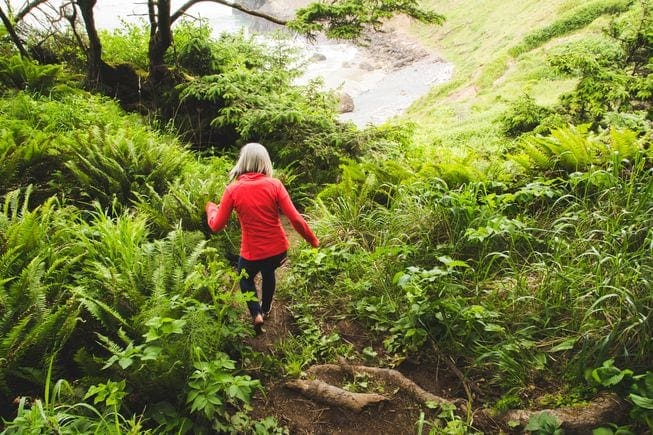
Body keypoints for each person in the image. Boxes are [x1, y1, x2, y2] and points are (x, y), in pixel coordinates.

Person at [205, 142, 319, 333]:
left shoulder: (232, 190)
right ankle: (266, 309)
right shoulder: (275, 185)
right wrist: (313, 240)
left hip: (251, 253)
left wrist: (211, 209)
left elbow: (216, 225)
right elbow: (296, 219)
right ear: (265, 162)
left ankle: (256, 313)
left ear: (242, 162)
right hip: (277, 250)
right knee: (268, 272)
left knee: (245, 278)